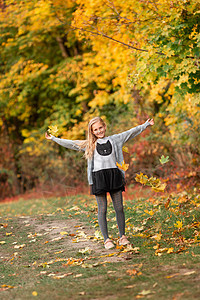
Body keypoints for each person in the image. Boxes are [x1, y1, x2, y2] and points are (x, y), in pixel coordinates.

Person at [45, 117, 154, 249]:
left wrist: (146, 125)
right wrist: (54, 139)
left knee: (119, 207)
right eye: (95, 129)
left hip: (114, 175)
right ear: (92, 132)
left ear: (105, 127)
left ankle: (122, 236)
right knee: (102, 209)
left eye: (100, 128)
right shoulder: (89, 144)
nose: (99, 131)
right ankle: (106, 239)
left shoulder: (115, 139)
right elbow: (71, 143)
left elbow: (131, 132)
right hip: (98, 178)